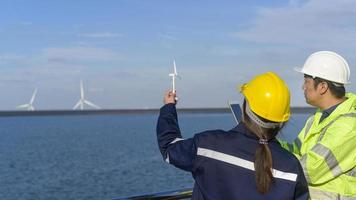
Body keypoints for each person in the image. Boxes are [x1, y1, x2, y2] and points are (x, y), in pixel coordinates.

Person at [157, 72, 309, 199]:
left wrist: (168, 107)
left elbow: (169, 147)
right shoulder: (291, 168)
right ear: (283, 120)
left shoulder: (208, 146)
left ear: (245, 107)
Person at [279, 51, 356, 199]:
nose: (303, 87)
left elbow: (310, 170)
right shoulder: (318, 117)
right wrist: (269, 143)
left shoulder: (349, 126)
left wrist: (270, 156)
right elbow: (296, 149)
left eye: (306, 81)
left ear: (322, 87)